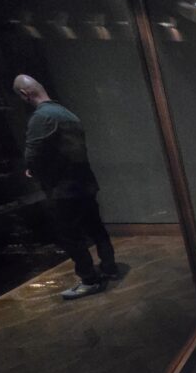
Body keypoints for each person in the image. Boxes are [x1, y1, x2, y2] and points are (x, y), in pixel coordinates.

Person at [13, 74, 118, 299]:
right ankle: (109, 267)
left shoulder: (41, 118)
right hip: (84, 183)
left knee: (71, 236)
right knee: (96, 228)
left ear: (24, 94)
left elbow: (33, 153)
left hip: (64, 188)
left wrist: (32, 168)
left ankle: (89, 279)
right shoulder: (68, 114)